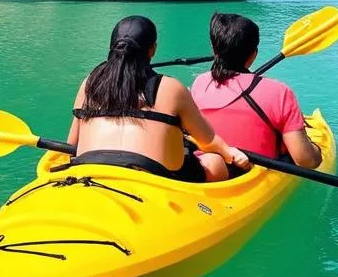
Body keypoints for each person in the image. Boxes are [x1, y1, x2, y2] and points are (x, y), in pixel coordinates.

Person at [67, 15, 249, 183]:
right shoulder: (171, 88)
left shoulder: (89, 83)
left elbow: (71, 144)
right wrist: (229, 153)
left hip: (89, 167)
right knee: (214, 161)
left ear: (112, 46)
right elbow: (208, 141)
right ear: (152, 49)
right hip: (154, 179)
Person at [190, 13, 323, 168]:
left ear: (214, 50)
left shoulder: (200, 83)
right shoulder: (279, 93)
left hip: (207, 169)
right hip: (253, 176)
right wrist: (318, 149)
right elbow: (305, 161)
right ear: (254, 54)